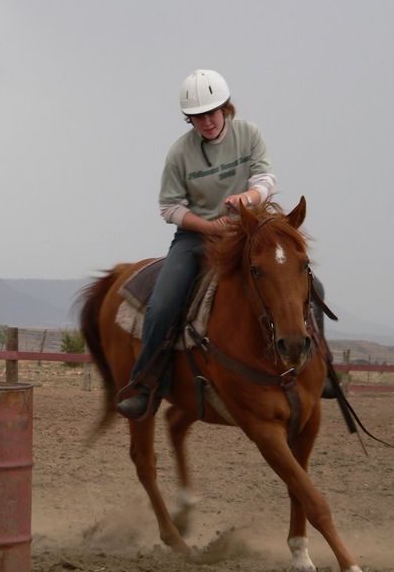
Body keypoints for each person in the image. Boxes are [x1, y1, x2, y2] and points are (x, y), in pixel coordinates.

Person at [116, 68, 277, 420]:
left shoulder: (248, 135)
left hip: (247, 229)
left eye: (212, 112)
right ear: (189, 119)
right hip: (195, 236)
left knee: (301, 282)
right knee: (162, 304)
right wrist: (208, 226)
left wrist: (247, 198)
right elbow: (169, 207)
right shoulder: (179, 154)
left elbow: (265, 179)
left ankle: (317, 369)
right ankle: (145, 385)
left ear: (226, 108)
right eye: (197, 117)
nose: (206, 122)